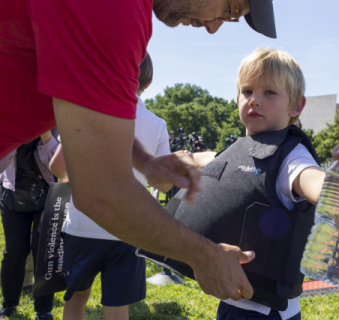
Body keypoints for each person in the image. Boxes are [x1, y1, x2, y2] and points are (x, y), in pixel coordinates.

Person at [1, 0, 281, 301]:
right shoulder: (115, 9)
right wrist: (205, 256)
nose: (214, 26)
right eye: (231, 9)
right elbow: (101, 192)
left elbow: (90, 113)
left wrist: (144, 160)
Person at [156, 48, 339, 320]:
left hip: (265, 312)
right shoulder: (238, 149)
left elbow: (312, 180)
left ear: (296, 106)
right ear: (237, 97)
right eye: (247, 91)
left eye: (269, 93)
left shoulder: (291, 157)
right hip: (233, 304)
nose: (255, 100)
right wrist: (181, 160)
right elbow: (214, 159)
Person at [49, 54, 171, 320]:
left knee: (76, 299)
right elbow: (162, 183)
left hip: (83, 223)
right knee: (117, 308)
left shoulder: (87, 110)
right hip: (130, 230)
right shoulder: (158, 124)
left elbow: (57, 169)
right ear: (148, 83)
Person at [0, 130, 58, 320]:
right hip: (13, 194)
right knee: (14, 252)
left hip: (49, 194)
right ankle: (8, 305)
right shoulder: (9, 121)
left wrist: (46, 137)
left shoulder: (56, 123)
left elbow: (59, 168)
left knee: (44, 251)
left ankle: (43, 310)